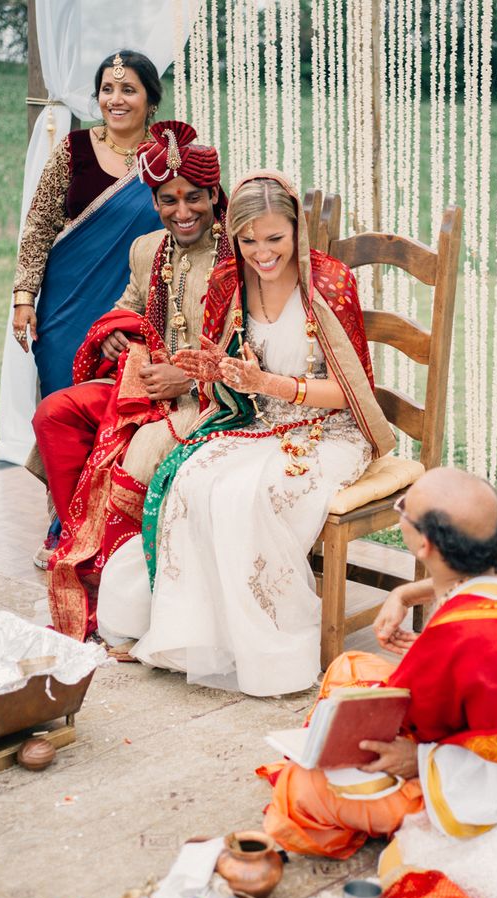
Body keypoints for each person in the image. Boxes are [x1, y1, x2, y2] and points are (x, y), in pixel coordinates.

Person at [96, 171, 396, 695]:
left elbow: (352, 392)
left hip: (330, 430)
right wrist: (217, 370)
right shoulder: (230, 284)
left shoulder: (328, 284)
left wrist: (270, 382)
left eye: (275, 239)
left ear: (297, 233)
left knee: (244, 494)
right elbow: (232, 376)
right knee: (188, 481)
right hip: (257, 420)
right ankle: (199, 638)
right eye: (248, 240)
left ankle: (267, 650)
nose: (262, 254)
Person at [260, 467, 497, 866]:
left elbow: (413, 728)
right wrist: (404, 593)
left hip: (494, 804)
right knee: (350, 666)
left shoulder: (450, 644)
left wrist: (418, 761)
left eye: (403, 508)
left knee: (302, 789)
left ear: (423, 544)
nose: (400, 510)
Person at [44, 121, 230, 642]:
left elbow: (250, 351)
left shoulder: (238, 255)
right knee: (54, 413)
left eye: (194, 197)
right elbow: (124, 309)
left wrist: (184, 378)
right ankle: (88, 551)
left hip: (208, 399)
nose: (182, 211)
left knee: (143, 452)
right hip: (145, 386)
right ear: (154, 201)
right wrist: (113, 338)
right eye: (168, 200)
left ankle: (130, 587)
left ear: (215, 195)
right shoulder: (148, 248)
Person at [11, 50, 165, 567]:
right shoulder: (73, 150)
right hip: (66, 310)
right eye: (106, 90)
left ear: (150, 98)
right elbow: (37, 227)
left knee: (116, 420)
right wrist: (23, 297)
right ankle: (64, 525)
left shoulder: (167, 156)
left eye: (128, 90)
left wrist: (145, 324)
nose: (115, 100)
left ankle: (108, 529)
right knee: (62, 416)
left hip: (132, 316)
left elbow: (201, 223)